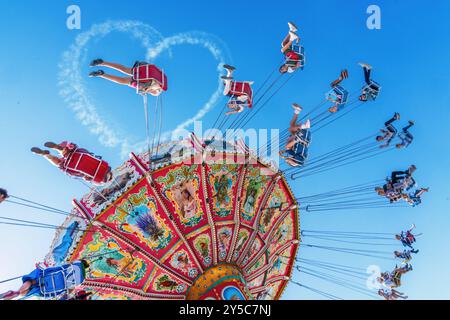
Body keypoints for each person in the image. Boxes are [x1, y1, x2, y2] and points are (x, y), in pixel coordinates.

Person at [31, 141, 113, 185]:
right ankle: (46, 155)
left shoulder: (105, 167)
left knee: (69, 153)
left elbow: (95, 157)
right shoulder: (100, 180)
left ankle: (59, 148)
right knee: (60, 164)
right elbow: (87, 178)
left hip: (83, 157)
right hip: (77, 168)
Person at [0, 260, 89, 300]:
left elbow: (66, 264)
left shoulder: (77, 263)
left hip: (49, 277)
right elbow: (70, 289)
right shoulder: (81, 280)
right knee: (32, 292)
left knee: (31, 280)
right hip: (50, 289)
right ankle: (19, 294)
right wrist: (66, 295)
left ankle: (17, 292)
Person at [89, 59, 167, 96]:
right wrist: (146, 91)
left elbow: (155, 70)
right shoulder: (158, 89)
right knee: (124, 77)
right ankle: (101, 71)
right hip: (145, 77)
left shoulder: (160, 83)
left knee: (124, 74)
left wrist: (145, 91)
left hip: (145, 73)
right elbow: (155, 86)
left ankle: (101, 68)